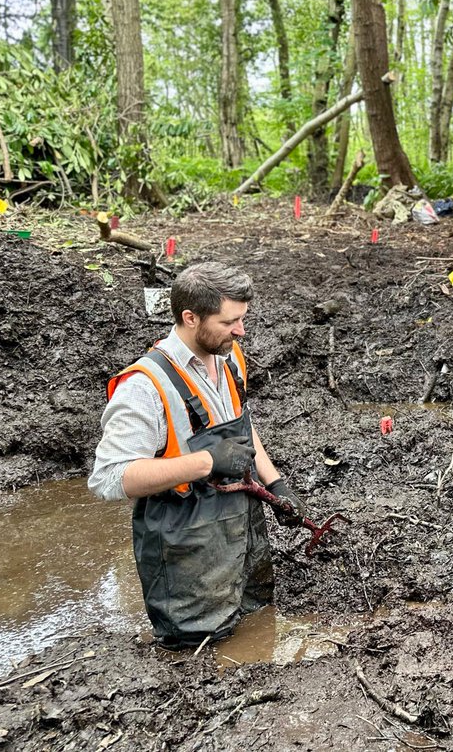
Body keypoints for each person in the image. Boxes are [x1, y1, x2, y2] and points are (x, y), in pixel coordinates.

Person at [89, 262, 307, 650]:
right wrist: (206, 462)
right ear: (190, 317)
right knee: (200, 655)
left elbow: (243, 426)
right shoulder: (145, 386)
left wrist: (276, 483)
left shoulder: (229, 356)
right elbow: (110, 478)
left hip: (242, 530)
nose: (240, 330)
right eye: (229, 322)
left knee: (256, 623)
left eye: (242, 319)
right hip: (184, 543)